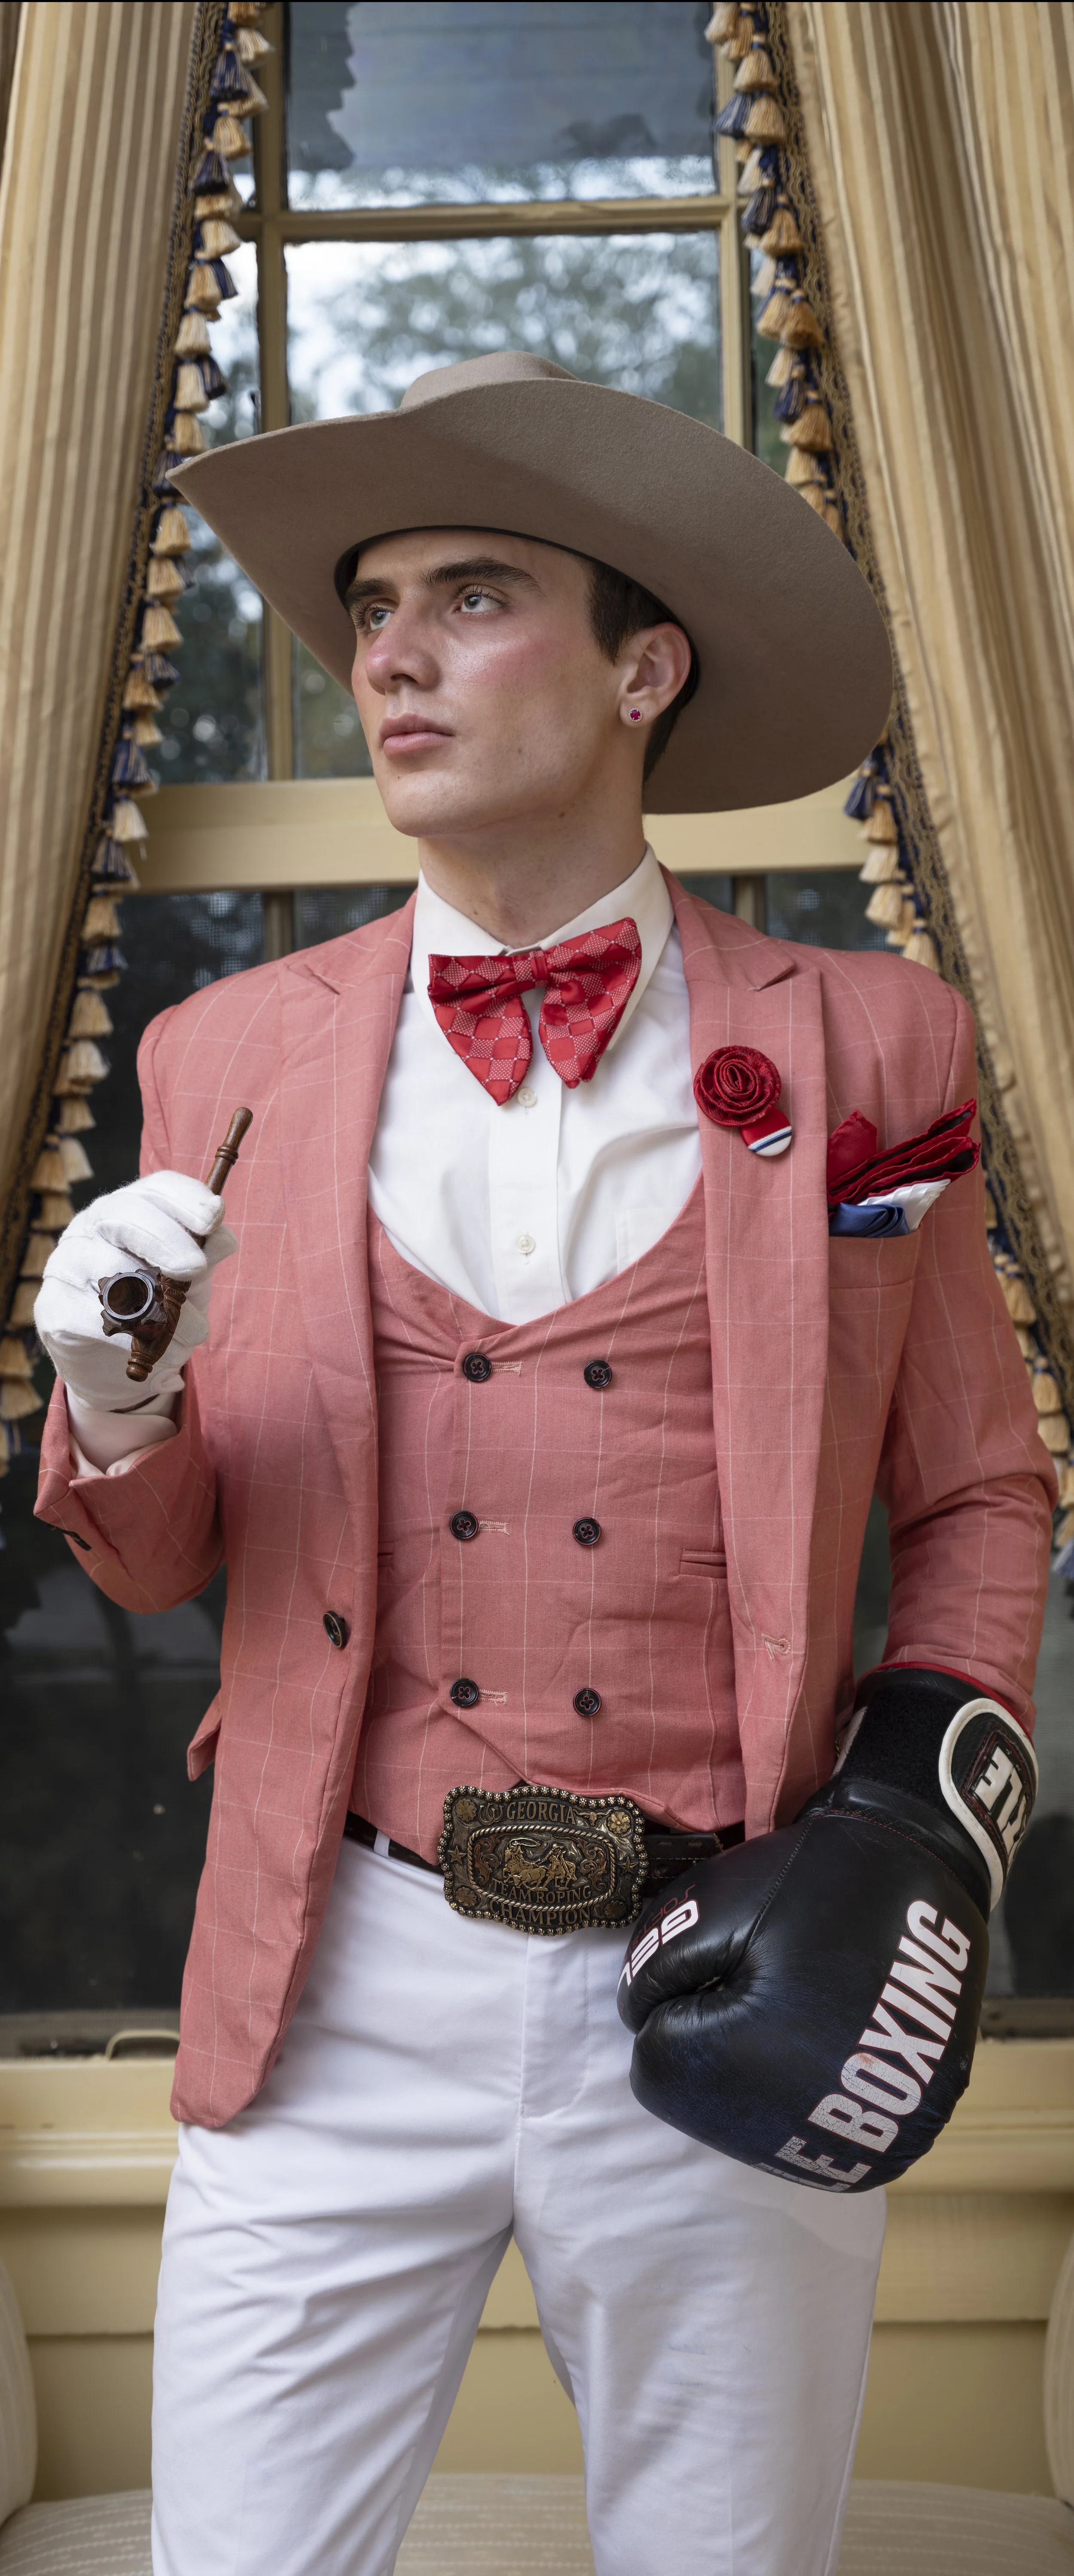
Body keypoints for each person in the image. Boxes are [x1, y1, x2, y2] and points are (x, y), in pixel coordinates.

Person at [34, 353, 1053, 2576]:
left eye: (468, 594)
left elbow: (978, 1485)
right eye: (371, 604)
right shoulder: (223, 1060)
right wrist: (110, 1405)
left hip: (724, 1964)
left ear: (641, 664)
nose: (384, 651)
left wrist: (913, 1830)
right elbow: (166, 1549)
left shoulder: (872, 1049)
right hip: (330, 1980)